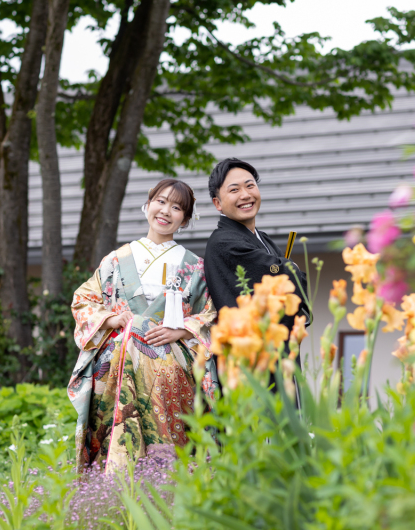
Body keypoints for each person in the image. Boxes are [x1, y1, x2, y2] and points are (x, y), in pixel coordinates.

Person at [67, 179, 219, 473]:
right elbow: (83, 300)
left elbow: (212, 314)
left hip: (171, 361)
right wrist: (112, 319)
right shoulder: (116, 259)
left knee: (167, 436)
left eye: (177, 207)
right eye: (160, 201)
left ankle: (165, 488)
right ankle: (115, 491)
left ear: (186, 219)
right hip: (117, 359)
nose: (166, 211)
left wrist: (182, 330)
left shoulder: (196, 267)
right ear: (148, 204)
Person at [204, 158, 309, 363]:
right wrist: (291, 269)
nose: (245, 195)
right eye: (234, 190)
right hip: (249, 360)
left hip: (275, 352)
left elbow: (287, 280)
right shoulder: (224, 242)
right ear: (218, 203)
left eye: (250, 185)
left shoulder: (262, 238)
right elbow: (286, 277)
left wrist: (288, 270)